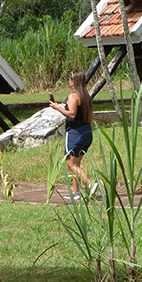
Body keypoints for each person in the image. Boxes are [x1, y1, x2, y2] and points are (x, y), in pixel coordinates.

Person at [48, 70, 94, 201]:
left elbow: (72, 115)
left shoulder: (74, 96)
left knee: (70, 165)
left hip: (75, 133)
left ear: (73, 81)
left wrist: (58, 107)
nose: (68, 80)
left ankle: (90, 183)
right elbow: (90, 118)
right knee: (77, 164)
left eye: (69, 78)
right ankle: (75, 192)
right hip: (86, 133)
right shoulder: (87, 97)